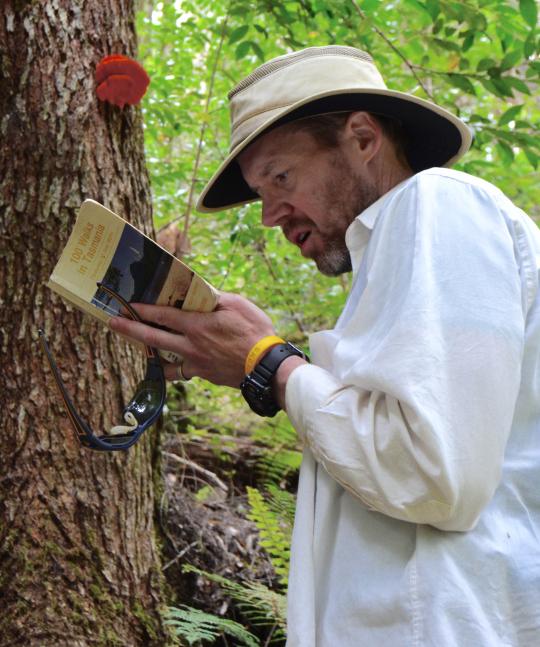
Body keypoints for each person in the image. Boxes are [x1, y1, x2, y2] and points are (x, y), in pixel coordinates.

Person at [110, 46, 540, 646]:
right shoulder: (396, 256)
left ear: (362, 138)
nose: (269, 216)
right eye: (261, 191)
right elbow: (398, 447)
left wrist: (269, 364)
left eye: (281, 177)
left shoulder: (438, 201)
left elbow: (433, 474)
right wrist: (260, 361)